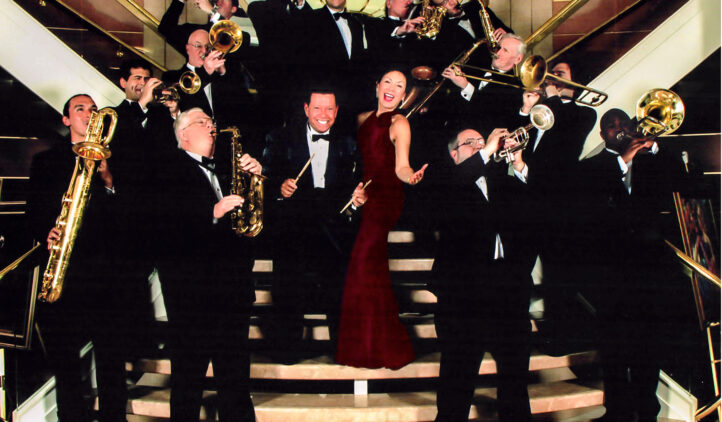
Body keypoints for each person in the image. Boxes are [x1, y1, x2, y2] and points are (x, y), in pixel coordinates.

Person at [576, 109, 692, 422]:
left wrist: (654, 147)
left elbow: (683, 183)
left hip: (650, 273)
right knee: (613, 347)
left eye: (624, 124)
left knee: (648, 346)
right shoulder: (591, 167)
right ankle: (616, 412)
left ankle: (647, 412)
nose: (619, 130)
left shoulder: (653, 162)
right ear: (602, 135)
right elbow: (591, 204)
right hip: (610, 274)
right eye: (611, 126)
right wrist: (623, 161)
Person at [153, 108, 262, 421]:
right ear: (183, 134)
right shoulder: (166, 169)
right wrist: (212, 212)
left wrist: (255, 178)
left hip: (232, 291)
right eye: (202, 122)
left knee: (235, 378)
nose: (211, 127)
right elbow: (163, 226)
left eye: (211, 122)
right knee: (188, 379)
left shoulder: (227, 169)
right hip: (192, 296)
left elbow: (248, 225)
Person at [26, 94, 130, 422]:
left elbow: (128, 219)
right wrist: (46, 231)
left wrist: (110, 182)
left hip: (105, 275)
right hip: (65, 273)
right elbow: (32, 213)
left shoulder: (113, 161)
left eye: (93, 109)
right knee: (66, 361)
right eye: (80, 109)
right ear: (66, 119)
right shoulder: (45, 161)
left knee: (111, 359)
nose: (88, 114)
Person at [431, 127, 533, 422]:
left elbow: (532, 210)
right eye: (470, 143)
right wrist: (487, 149)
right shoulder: (443, 180)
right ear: (454, 154)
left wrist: (518, 163)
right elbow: (451, 194)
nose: (478, 145)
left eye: (481, 141)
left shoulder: (501, 182)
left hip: (507, 292)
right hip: (462, 297)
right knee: (457, 383)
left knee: (515, 382)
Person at [262, 88, 366, 361]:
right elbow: (266, 179)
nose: (324, 115)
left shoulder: (348, 143)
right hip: (294, 225)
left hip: (333, 227)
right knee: (288, 287)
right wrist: (280, 187)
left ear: (337, 111)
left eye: (330, 109)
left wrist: (357, 201)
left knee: (339, 289)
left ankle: (342, 351)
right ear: (306, 109)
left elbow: (354, 188)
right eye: (317, 108)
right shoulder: (280, 137)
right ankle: (287, 352)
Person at [335, 70, 427, 369]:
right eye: (387, 82)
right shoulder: (361, 119)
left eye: (399, 86)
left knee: (364, 261)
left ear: (403, 95)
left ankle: (376, 346)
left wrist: (411, 178)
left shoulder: (400, 122)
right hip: (363, 194)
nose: (392, 88)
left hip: (387, 196)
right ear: (377, 87)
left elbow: (401, 166)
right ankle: (364, 344)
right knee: (365, 266)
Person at [514, 62, 598, 353]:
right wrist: (526, 109)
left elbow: (563, 147)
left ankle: (560, 337)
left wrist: (549, 98)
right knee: (515, 270)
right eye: (550, 73)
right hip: (524, 200)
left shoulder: (583, 114)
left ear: (575, 85)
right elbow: (514, 136)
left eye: (560, 74)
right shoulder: (538, 109)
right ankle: (513, 331)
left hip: (557, 206)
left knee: (558, 274)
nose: (551, 77)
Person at [441, 33, 525, 130]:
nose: (497, 53)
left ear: (518, 59)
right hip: (447, 125)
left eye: (505, 50)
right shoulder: (478, 61)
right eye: (499, 47)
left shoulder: (516, 87)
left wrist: (465, 86)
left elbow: (489, 115)